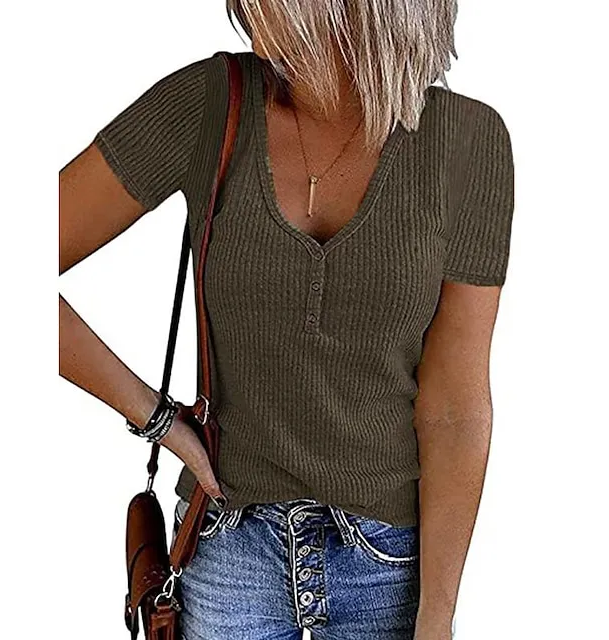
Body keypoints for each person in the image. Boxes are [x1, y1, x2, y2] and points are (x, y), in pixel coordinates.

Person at [59, 1, 514, 639]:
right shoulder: (208, 104)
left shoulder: (469, 141)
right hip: (228, 551)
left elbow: (455, 407)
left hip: (391, 569)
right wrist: (155, 417)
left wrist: (437, 618)